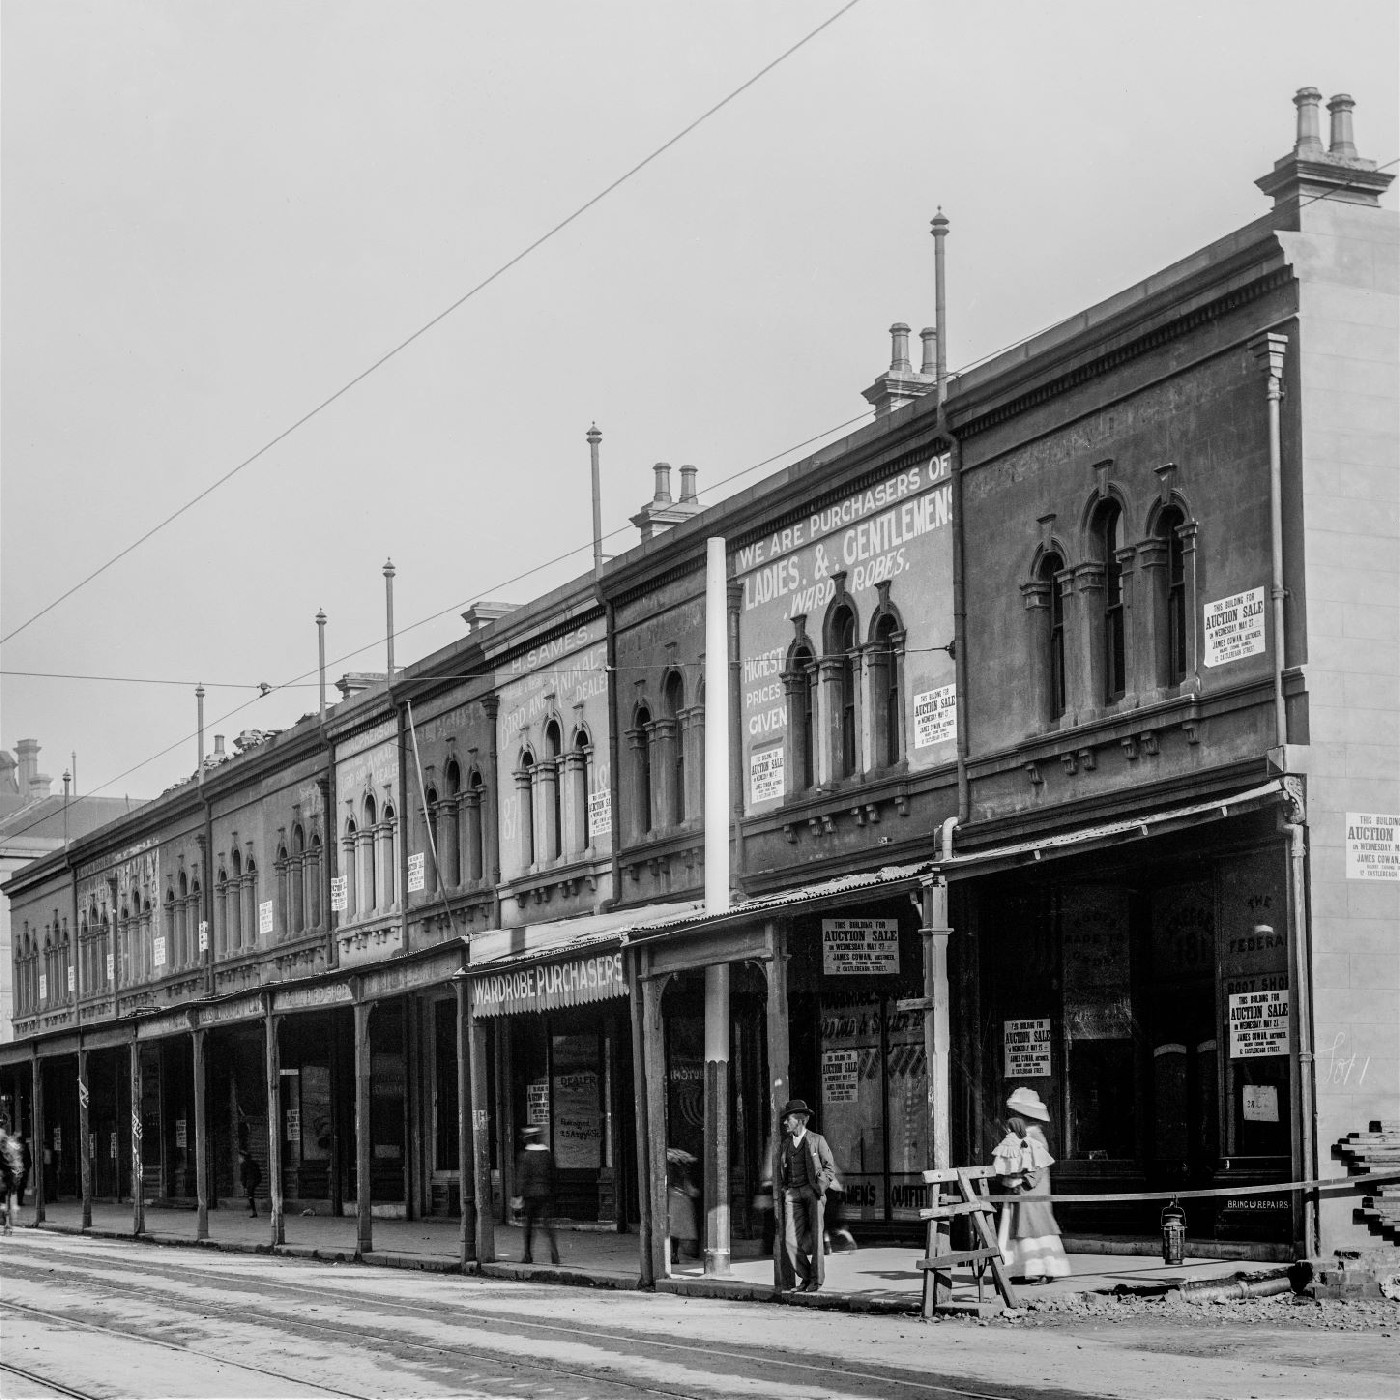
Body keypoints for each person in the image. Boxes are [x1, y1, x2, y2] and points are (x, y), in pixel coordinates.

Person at [992, 1086, 1070, 1284]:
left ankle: (1047, 1268)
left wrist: (1022, 1179)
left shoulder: (1035, 1136)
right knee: (1016, 1233)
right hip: (1019, 1191)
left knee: (1035, 1231)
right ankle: (1018, 1270)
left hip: (1030, 1192)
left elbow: (1039, 1166)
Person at [776, 1098, 836, 1293]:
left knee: (818, 1237)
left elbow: (829, 1168)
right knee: (790, 1240)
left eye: (789, 1119)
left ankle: (815, 1281)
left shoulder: (817, 1140)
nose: (785, 1123)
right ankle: (806, 1277)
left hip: (812, 1193)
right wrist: (786, 1189)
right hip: (793, 1194)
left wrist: (820, 1187)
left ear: (800, 1121)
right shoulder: (785, 1145)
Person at [515, 1125, 559, 1265]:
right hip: (545, 1193)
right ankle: (554, 1253)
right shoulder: (547, 1154)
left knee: (528, 1225)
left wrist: (517, 1195)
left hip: (530, 1195)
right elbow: (554, 1175)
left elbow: (522, 1177)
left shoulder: (525, 1156)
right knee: (547, 1224)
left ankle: (528, 1255)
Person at [666, 1148, 700, 1264]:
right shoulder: (683, 1175)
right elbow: (692, 1191)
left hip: (673, 1204)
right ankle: (683, 1252)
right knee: (681, 1231)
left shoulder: (669, 1175)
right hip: (683, 1204)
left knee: (674, 1232)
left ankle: (674, 1254)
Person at [238, 1148, 262, 1219]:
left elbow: (243, 1176)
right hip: (256, 1180)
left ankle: (254, 1212)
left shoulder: (243, 1165)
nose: (238, 1159)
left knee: (250, 1196)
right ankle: (253, 1211)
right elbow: (259, 1174)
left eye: (239, 1157)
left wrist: (244, 1185)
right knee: (250, 1195)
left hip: (250, 1182)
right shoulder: (254, 1163)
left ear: (243, 1157)